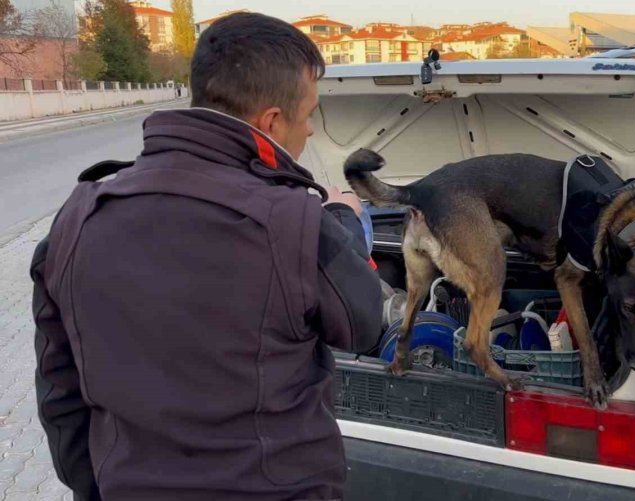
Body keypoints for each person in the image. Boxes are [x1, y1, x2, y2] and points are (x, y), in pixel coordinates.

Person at [30, 12, 382, 501]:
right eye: (309, 116)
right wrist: (342, 218)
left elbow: (60, 394)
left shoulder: (77, 219)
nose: (310, 132)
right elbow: (364, 324)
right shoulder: (294, 224)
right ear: (272, 123)